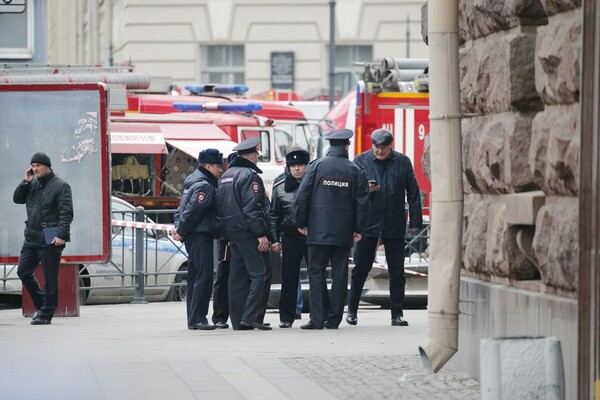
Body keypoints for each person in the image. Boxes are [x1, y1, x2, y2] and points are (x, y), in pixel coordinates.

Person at [346, 128, 423, 327]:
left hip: (394, 222)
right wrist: (366, 190)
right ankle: (352, 310)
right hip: (367, 223)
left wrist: (415, 221)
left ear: (391, 146)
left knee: (397, 271)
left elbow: (413, 192)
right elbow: (350, 193)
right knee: (361, 268)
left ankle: (397, 314)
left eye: (383, 148)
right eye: (376, 147)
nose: (379, 151)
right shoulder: (360, 161)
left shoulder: (403, 162)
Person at [295, 129, 369, 329]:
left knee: (316, 273)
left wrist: (301, 223)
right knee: (339, 274)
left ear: (330, 146)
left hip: (317, 231)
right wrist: (357, 229)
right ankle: (335, 319)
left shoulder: (317, 166)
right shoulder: (355, 170)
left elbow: (302, 196)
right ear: (346, 146)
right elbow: (362, 204)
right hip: (343, 232)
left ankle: (317, 319)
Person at [217, 137, 273, 331]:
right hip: (249, 232)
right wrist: (261, 234)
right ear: (251, 155)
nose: (257, 158)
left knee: (238, 277)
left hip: (232, 234)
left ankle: (238, 320)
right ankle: (253, 316)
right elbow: (252, 208)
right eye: (257, 154)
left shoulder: (226, 175)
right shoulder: (250, 176)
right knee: (262, 273)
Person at [14, 152, 74, 325]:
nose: (35, 169)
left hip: (50, 235)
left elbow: (66, 213)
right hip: (31, 236)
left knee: (50, 278)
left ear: (48, 166)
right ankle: (42, 305)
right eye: (33, 166)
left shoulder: (61, 186)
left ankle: (46, 313)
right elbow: (17, 199)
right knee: (23, 271)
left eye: (38, 165)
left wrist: (61, 235)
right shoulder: (31, 184)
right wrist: (25, 181)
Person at [172, 148, 224, 330]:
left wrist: (180, 230)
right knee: (203, 277)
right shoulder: (205, 186)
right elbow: (193, 211)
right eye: (218, 166)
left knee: (195, 277)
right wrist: (182, 231)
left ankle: (193, 318)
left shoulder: (193, 184)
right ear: (208, 166)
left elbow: (180, 211)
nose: (220, 170)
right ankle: (198, 318)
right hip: (201, 236)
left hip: (194, 236)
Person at [269, 148, 311, 328]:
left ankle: (320, 314)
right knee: (289, 278)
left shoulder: (315, 184)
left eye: (300, 165)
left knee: (316, 277)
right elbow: (274, 216)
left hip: (312, 238)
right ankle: (286, 317)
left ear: (307, 165)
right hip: (291, 238)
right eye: (293, 166)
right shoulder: (279, 188)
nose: (297, 169)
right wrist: (275, 239)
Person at [210, 152, 239, 330]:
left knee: (228, 275)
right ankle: (221, 315)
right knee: (225, 275)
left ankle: (223, 316)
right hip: (229, 238)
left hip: (232, 235)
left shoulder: (221, 182)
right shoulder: (221, 184)